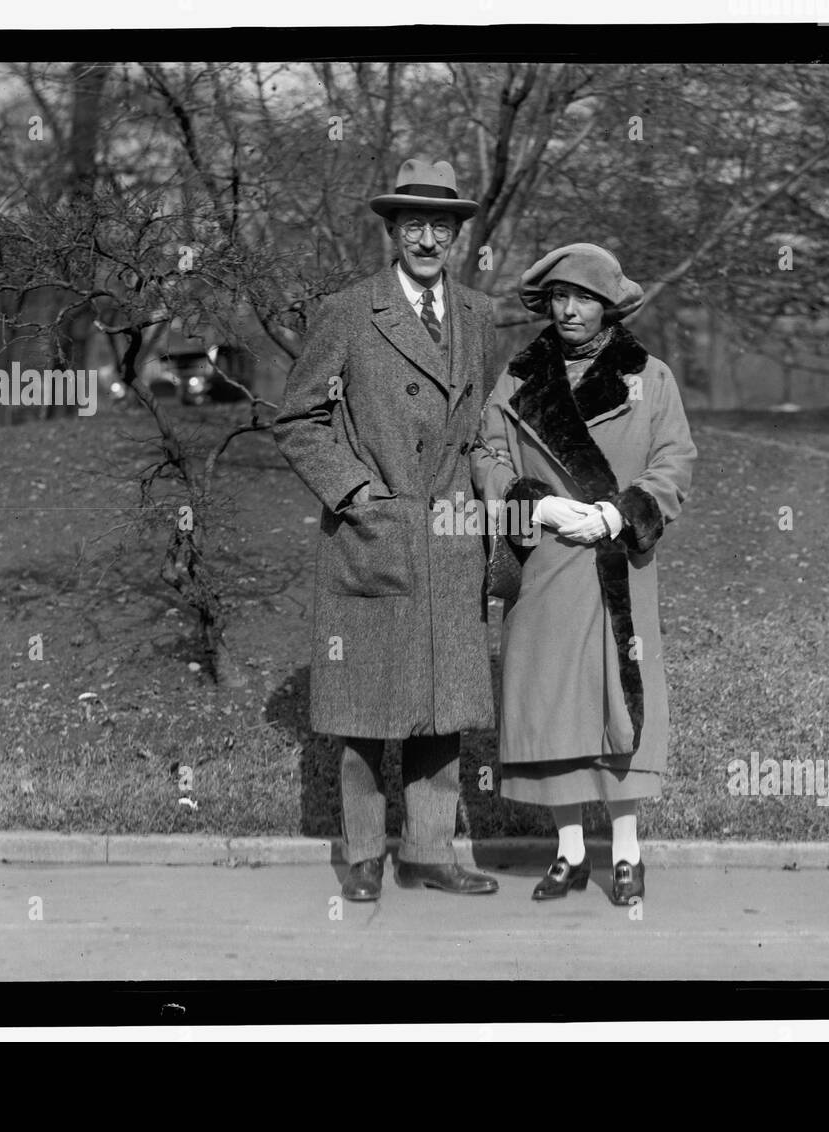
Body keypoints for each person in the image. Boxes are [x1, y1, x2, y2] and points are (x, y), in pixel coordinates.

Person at [272, 159, 500, 902]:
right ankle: (365, 852)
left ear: (458, 236)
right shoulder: (349, 310)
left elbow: (488, 421)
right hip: (374, 530)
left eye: (440, 226)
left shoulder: (479, 314)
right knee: (367, 706)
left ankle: (430, 851)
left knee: (445, 706)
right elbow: (298, 418)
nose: (427, 239)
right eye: (412, 227)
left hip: (454, 532)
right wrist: (355, 490)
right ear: (391, 233)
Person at [472, 243, 696, 905]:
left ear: (608, 306)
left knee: (618, 706)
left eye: (585, 298)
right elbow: (485, 454)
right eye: (560, 297)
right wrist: (532, 501)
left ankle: (626, 856)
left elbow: (675, 461)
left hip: (615, 564)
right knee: (553, 706)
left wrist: (615, 516)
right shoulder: (516, 379)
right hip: (544, 563)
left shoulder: (648, 377)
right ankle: (569, 854)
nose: (570, 309)